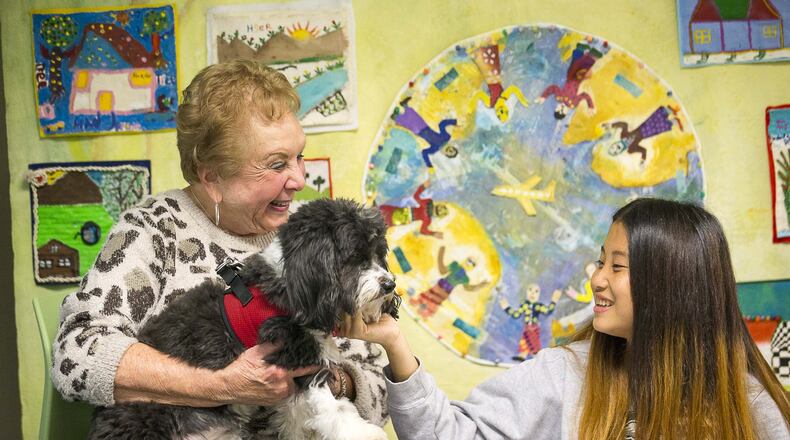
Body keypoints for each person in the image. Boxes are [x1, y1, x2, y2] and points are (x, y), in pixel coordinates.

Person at [52, 60, 389, 426]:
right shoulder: (154, 230)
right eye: (277, 165)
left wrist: (326, 382)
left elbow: (378, 384)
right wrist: (220, 385)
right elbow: (77, 355)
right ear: (211, 176)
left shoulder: (312, 236)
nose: (298, 178)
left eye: (299, 157)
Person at [344, 198, 790, 439]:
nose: (595, 278)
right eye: (600, 261)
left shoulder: (744, 402)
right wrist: (396, 346)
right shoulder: (564, 374)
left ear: (671, 287)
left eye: (616, 267)